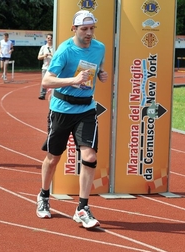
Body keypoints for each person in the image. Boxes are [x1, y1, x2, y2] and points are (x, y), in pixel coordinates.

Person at [36, 10, 108, 229]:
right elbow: (47, 80)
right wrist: (73, 80)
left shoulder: (100, 47)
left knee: (90, 156)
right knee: (53, 157)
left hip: (86, 108)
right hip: (61, 109)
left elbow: (96, 68)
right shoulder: (65, 50)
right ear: (74, 29)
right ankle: (43, 196)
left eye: (91, 28)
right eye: (84, 29)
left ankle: (82, 207)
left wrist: (100, 74)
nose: (88, 33)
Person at [37, 33, 53, 100]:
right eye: (48, 38)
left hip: (53, 68)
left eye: (51, 38)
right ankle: (42, 94)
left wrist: (52, 55)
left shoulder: (55, 47)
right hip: (45, 67)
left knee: (53, 81)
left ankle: (53, 94)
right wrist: (44, 55)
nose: (49, 40)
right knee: (44, 81)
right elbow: (38, 57)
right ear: (46, 39)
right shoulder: (43, 47)